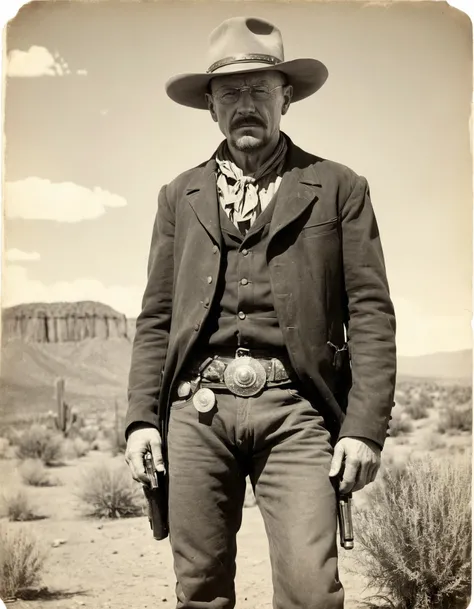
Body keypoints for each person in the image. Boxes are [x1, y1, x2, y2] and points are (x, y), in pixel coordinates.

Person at [124, 15, 397, 609]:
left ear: (286, 97)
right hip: (197, 414)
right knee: (199, 589)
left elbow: (371, 312)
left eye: (259, 91)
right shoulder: (179, 196)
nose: (245, 105)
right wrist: (142, 418)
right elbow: (156, 316)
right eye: (230, 93)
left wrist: (364, 429)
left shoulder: (338, 187)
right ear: (211, 107)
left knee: (311, 591)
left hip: (299, 411)